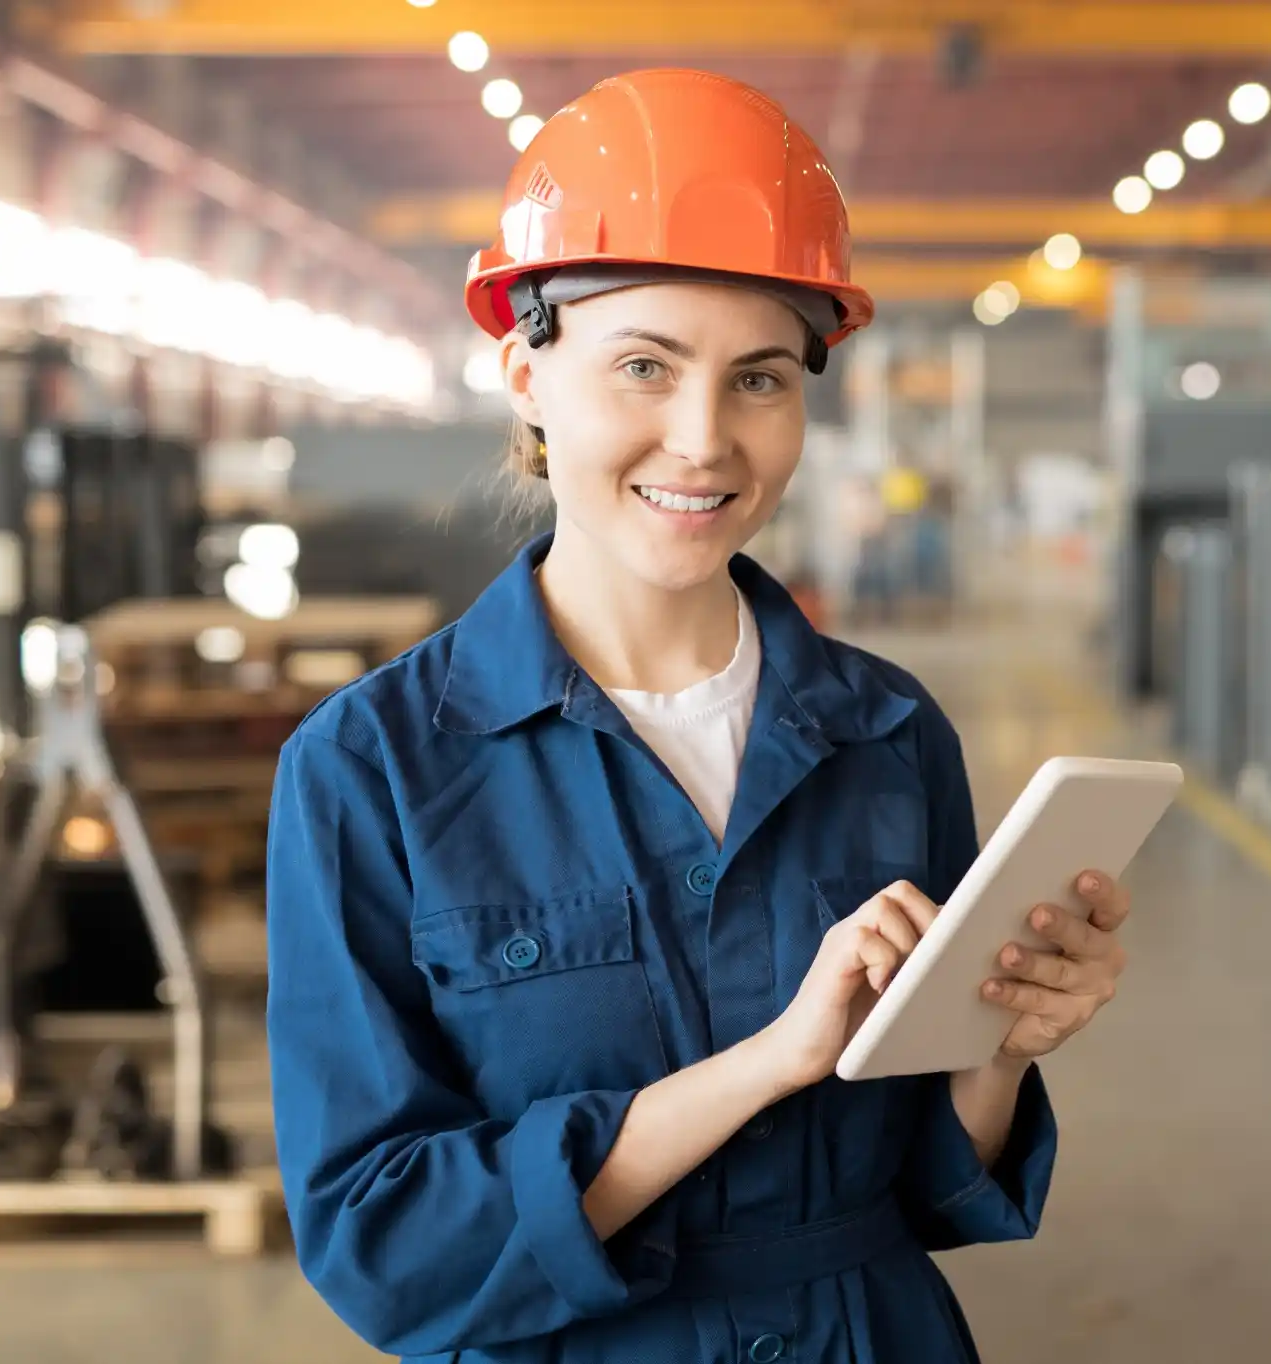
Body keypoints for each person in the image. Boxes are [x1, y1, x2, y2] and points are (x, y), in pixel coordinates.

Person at [264, 70, 1133, 1364]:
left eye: (761, 380)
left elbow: (939, 1184)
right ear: (525, 374)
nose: (704, 440)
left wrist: (998, 1044)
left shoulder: (889, 738)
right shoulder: (373, 773)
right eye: (643, 367)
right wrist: (772, 1062)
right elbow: (387, 1248)